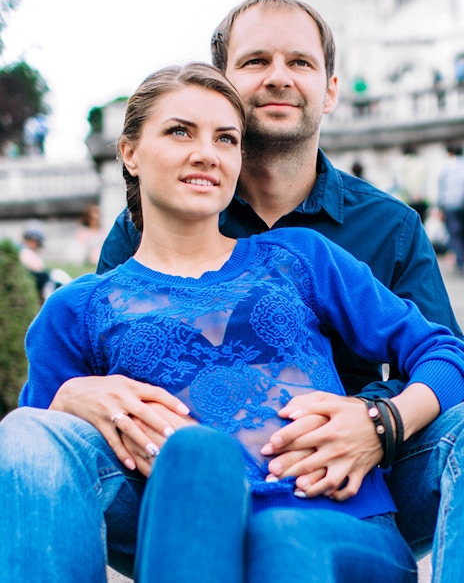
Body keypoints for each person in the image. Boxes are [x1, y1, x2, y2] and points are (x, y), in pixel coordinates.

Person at [2, 61, 464, 582]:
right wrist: (66, 399)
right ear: (129, 153)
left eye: (226, 138)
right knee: (56, 433)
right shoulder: (78, 307)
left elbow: (447, 352)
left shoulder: (301, 257)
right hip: (178, 518)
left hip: (332, 516)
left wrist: (385, 421)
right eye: (180, 131)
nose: (206, 153)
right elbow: (37, 466)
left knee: (284, 537)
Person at [437, 143, 464, 274]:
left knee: (455, 234)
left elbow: (442, 189)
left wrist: (440, 207)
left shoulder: (446, 168)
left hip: (451, 205)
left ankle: (461, 261)